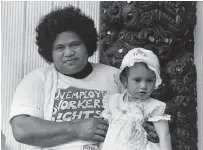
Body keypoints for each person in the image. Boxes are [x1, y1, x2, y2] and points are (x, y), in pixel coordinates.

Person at [9, 6, 158, 150]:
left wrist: (145, 128)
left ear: (87, 44)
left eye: (75, 44)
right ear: (50, 51)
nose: (68, 53)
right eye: (60, 48)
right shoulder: (38, 79)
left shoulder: (116, 77)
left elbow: (141, 112)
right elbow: (21, 129)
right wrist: (76, 129)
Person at [101, 48, 172, 150]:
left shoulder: (153, 106)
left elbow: (164, 135)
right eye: (137, 80)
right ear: (125, 80)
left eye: (149, 80)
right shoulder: (114, 101)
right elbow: (105, 130)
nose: (143, 85)